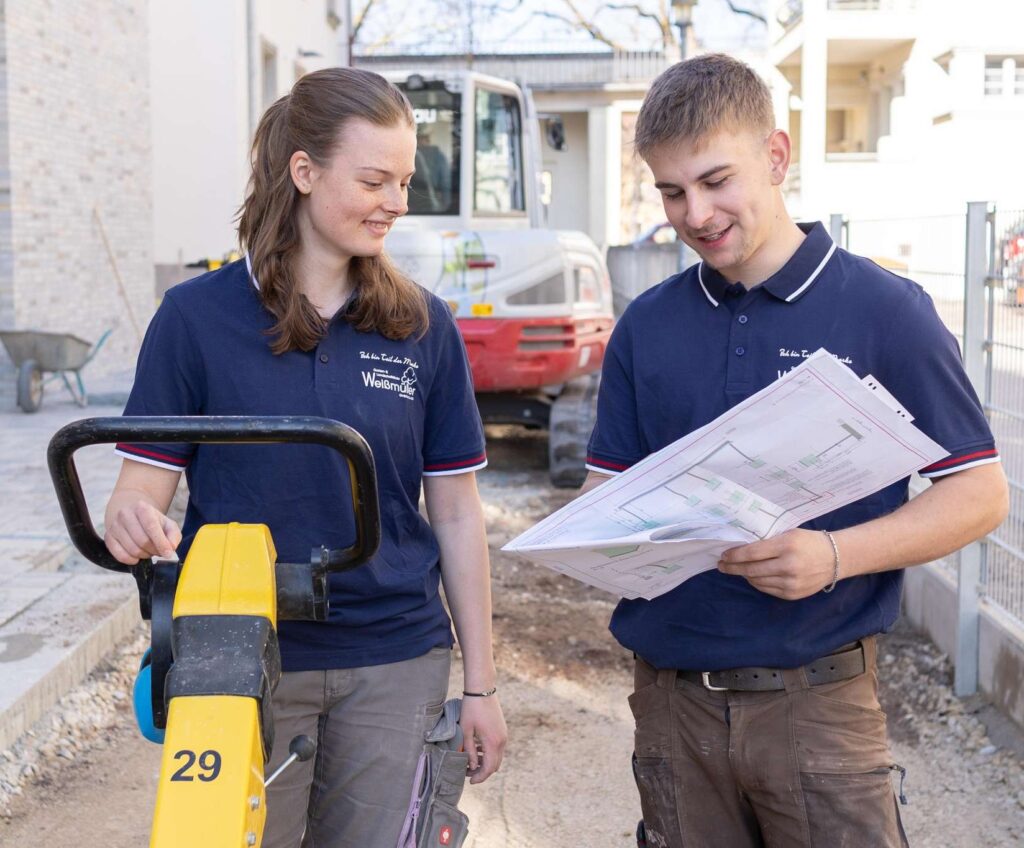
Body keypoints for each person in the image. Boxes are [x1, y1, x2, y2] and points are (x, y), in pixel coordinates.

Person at [581, 54, 1008, 848]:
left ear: (776, 157)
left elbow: (979, 495)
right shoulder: (646, 324)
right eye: (672, 192)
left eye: (716, 180)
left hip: (820, 704)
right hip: (674, 710)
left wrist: (835, 555)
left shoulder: (886, 311)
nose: (695, 213)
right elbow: (605, 497)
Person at [102, 67, 507, 847]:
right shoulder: (195, 319)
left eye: (404, 180)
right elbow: (139, 493)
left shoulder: (423, 326)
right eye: (375, 180)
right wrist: (130, 521)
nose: (398, 201)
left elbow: (456, 514)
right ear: (304, 171)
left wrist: (482, 686)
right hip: (239, 657)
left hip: (395, 655)